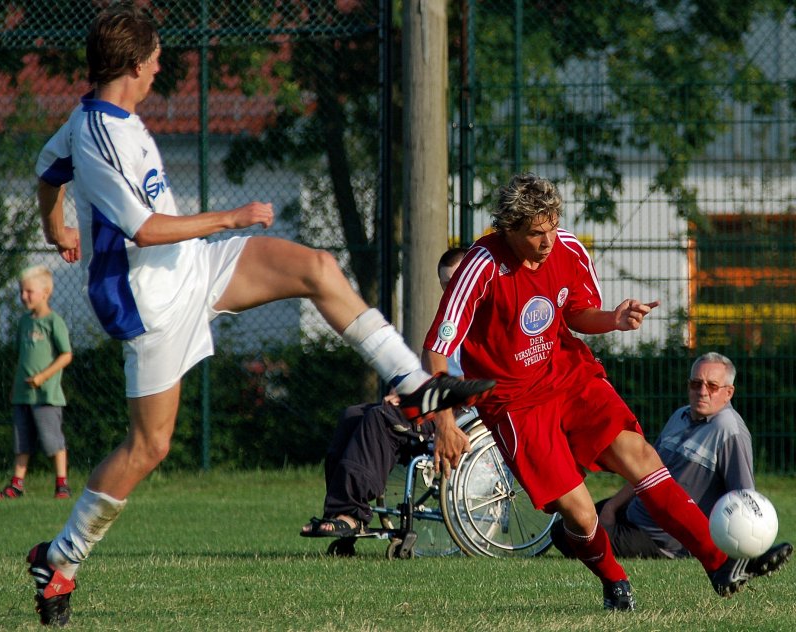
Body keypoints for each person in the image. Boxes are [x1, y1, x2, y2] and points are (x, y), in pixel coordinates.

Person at [26, 4, 493, 626]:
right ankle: (60, 558)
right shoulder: (99, 135)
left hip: (192, 267)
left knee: (317, 268)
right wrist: (230, 217)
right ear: (135, 65)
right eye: (156, 58)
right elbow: (143, 228)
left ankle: (413, 384)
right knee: (149, 445)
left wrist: (54, 226)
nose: (161, 66)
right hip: (149, 303)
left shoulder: (102, 116)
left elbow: (46, 170)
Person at [422, 172, 792, 611]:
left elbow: (576, 312)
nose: (547, 240)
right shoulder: (481, 265)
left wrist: (612, 319)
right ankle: (614, 580)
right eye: (536, 233)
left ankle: (721, 564)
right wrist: (444, 421)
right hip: (514, 403)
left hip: (567, 374)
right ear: (509, 229)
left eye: (552, 226)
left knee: (641, 456)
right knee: (580, 513)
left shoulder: (568, 248)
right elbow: (436, 349)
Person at [301, 248, 467, 537]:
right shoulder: (447, 324)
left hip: (454, 414)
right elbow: (422, 369)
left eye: (456, 282)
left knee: (381, 419)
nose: (449, 291)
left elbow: (473, 382)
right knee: (353, 415)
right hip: (427, 404)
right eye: (445, 284)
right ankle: (338, 513)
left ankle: (351, 514)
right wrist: (402, 389)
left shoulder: (484, 320)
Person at [551, 352, 755, 559]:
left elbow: (744, 499)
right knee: (565, 527)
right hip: (634, 510)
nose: (702, 392)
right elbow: (645, 471)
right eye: (696, 384)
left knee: (571, 539)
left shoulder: (729, 431)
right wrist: (611, 506)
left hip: (659, 538)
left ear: (729, 392)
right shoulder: (680, 416)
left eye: (712, 386)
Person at [0, 265, 73, 501]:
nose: (23, 296)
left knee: (52, 440)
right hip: (23, 394)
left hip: (46, 395)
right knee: (22, 441)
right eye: (21, 291)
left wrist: (42, 377)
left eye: (29, 291)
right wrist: (15, 386)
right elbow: (22, 358)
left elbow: (66, 355)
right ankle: (16, 485)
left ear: (46, 292)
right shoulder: (24, 323)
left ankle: (62, 484)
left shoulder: (53, 322)